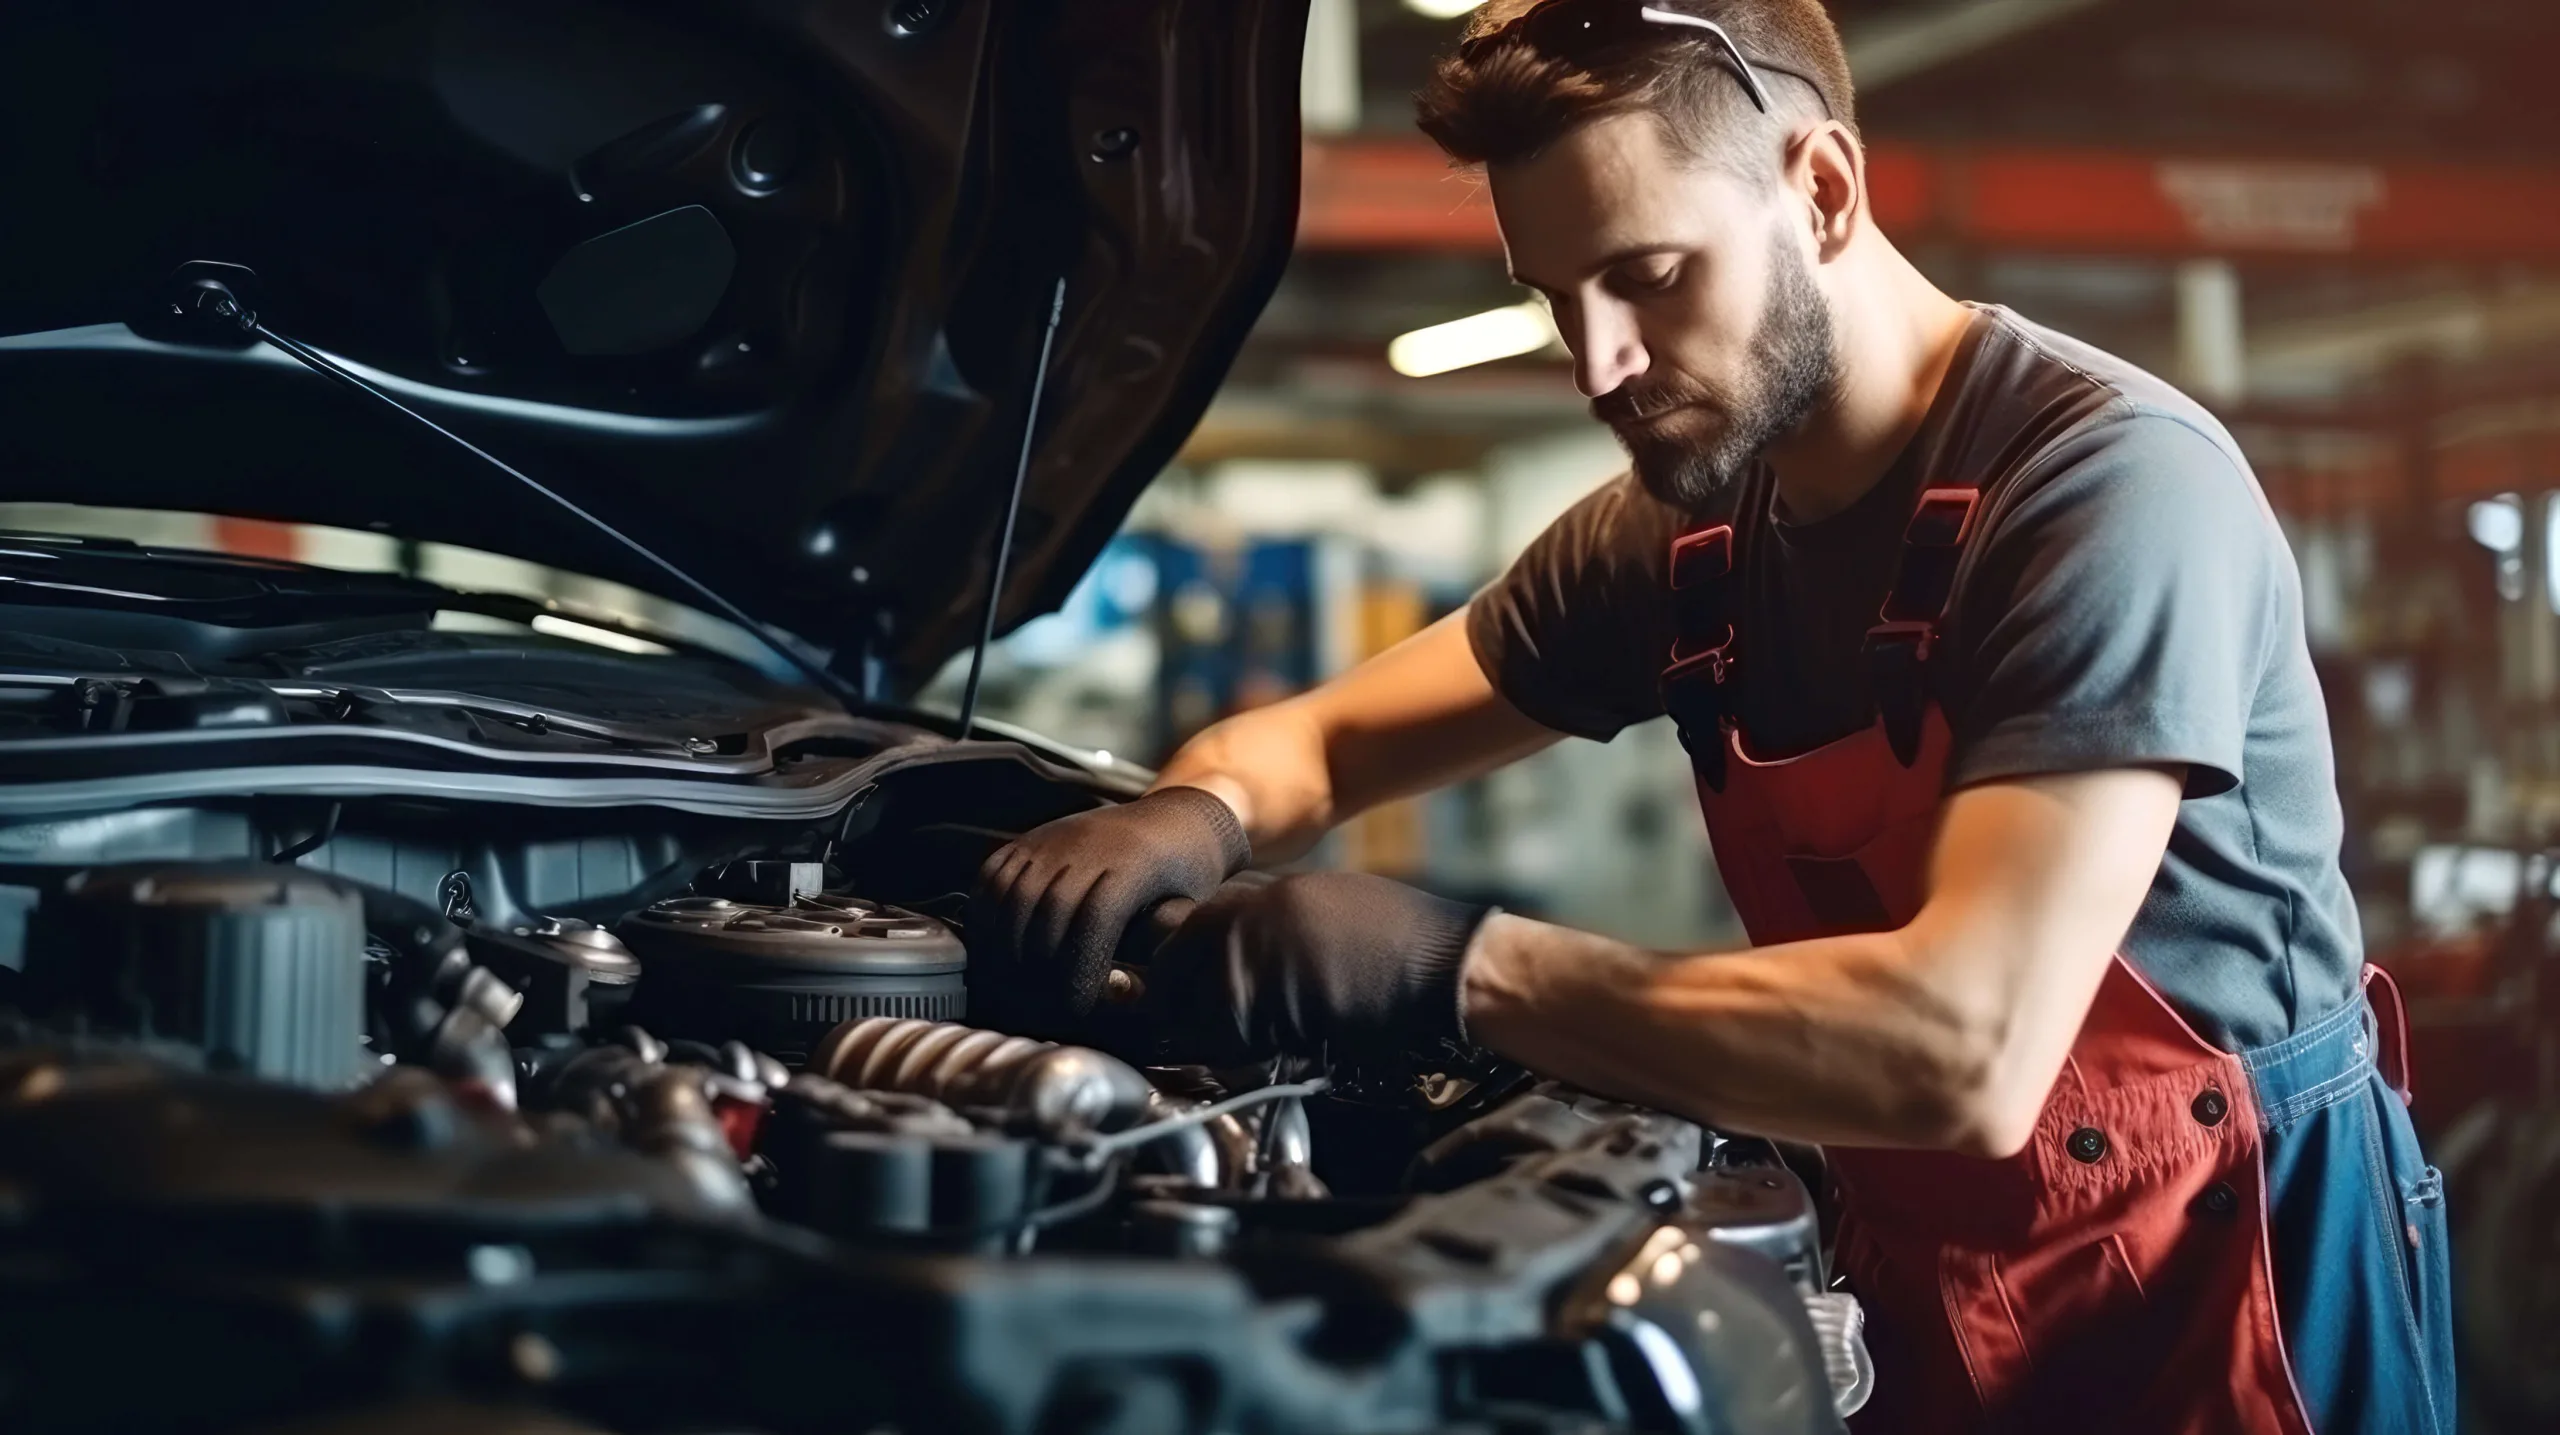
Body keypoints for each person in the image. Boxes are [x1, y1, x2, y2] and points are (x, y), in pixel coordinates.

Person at [968, 2, 2453, 1429]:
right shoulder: (1681, 543)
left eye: (1651, 275)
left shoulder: (2106, 492)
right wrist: (1194, 811)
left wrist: (1456, 969)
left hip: (2231, 1311)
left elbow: (1968, 1048)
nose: (1598, 361)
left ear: (1820, 190)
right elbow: (1324, 743)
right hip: (1923, 1290)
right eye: (1556, 301)